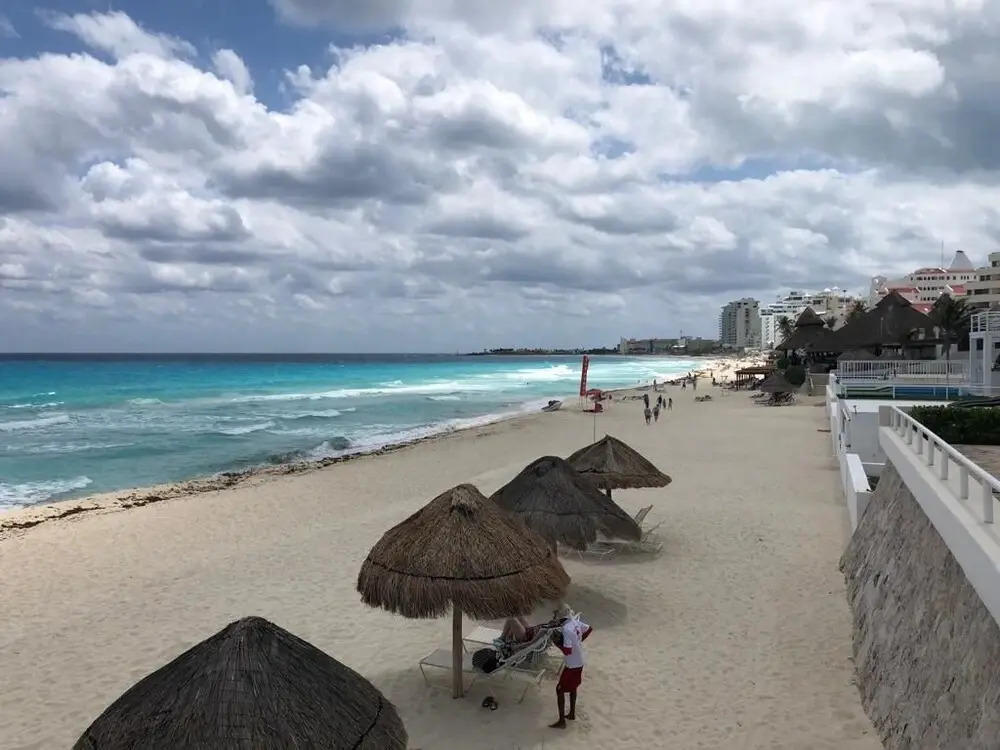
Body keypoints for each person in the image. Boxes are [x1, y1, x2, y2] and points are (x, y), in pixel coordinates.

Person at [549, 610, 593, 729]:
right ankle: (572, 713)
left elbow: (567, 651)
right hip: (580, 660)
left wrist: (557, 644)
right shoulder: (574, 622)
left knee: (559, 689)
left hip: (572, 664)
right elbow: (589, 629)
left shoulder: (566, 630)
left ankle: (561, 721)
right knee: (573, 687)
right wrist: (578, 642)